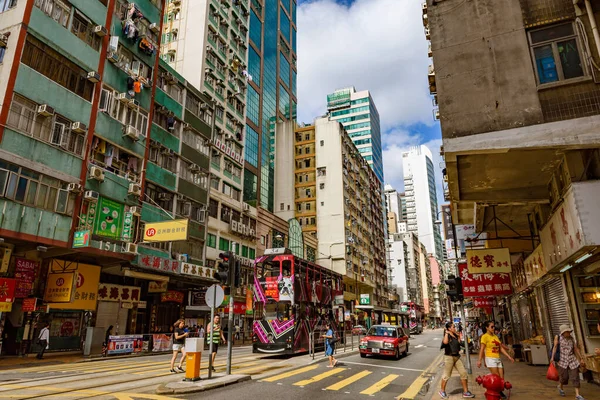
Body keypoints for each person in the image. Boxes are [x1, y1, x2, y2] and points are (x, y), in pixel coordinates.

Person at [477, 321, 514, 399]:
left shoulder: (495, 336)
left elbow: (500, 348)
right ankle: (498, 393)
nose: (493, 328)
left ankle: (499, 392)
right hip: (490, 359)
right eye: (492, 327)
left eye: (494, 327)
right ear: (487, 328)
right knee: (496, 377)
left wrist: (508, 356)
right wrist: (480, 360)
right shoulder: (484, 337)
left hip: (498, 358)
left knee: (501, 378)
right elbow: (482, 349)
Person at [439, 322, 475, 399]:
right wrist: (446, 333)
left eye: (454, 327)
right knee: (446, 375)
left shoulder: (455, 334)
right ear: (449, 328)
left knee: (463, 373)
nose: (454, 328)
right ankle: (442, 391)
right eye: (453, 327)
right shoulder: (447, 335)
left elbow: (458, 344)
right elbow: (445, 342)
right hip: (449, 357)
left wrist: (458, 336)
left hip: (457, 357)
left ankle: (466, 392)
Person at [551, 324, 586, 400]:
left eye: (569, 331)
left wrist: (581, 358)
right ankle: (560, 386)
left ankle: (577, 395)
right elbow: (555, 347)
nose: (568, 333)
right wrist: (552, 358)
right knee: (564, 377)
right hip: (562, 360)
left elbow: (575, 349)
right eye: (567, 332)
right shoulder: (558, 337)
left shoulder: (571, 338)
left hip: (572, 359)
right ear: (563, 332)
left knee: (575, 376)